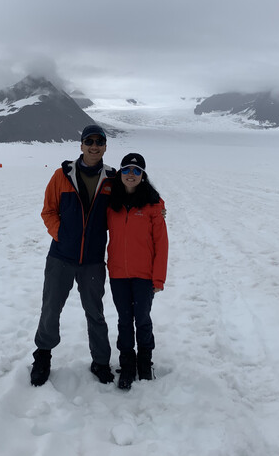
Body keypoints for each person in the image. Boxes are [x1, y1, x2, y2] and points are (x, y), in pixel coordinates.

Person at [31, 124, 117, 386]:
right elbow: (48, 211)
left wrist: (157, 210)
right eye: (89, 141)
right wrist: (61, 235)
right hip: (61, 258)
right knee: (50, 309)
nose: (94, 146)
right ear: (81, 146)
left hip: (92, 261)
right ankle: (43, 356)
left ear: (104, 146)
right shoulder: (62, 175)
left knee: (95, 313)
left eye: (99, 142)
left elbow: (133, 202)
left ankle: (101, 361)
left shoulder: (112, 179)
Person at [106, 153, 168, 390]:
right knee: (124, 320)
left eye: (136, 171)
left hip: (144, 275)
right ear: (120, 173)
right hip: (118, 273)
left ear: (143, 175)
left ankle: (145, 362)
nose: (130, 175)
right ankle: (127, 363)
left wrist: (158, 277)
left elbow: (161, 243)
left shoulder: (154, 205)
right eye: (126, 170)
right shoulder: (112, 204)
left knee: (142, 318)